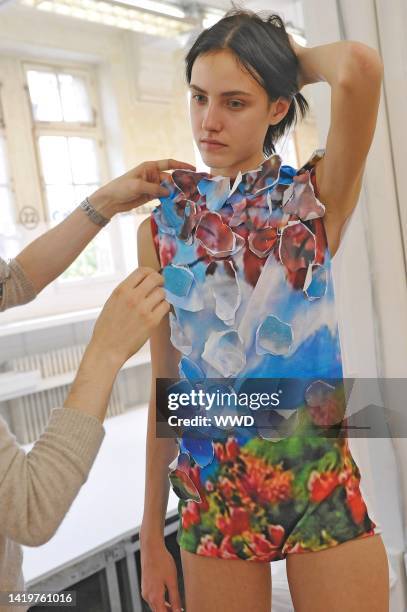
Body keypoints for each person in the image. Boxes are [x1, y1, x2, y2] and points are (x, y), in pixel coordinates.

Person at [137, 8, 389, 612]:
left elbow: (358, 67)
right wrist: (151, 532)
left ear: (278, 107)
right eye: (199, 98)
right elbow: (167, 387)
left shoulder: (314, 198)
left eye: (235, 101)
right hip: (213, 495)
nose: (209, 121)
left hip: (317, 482)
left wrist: (281, 66)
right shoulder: (161, 228)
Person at [0, 158, 195, 609]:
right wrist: (105, 351)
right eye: (200, 99)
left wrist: (103, 202)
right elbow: (31, 507)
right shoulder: (159, 237)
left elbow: (13, 281)